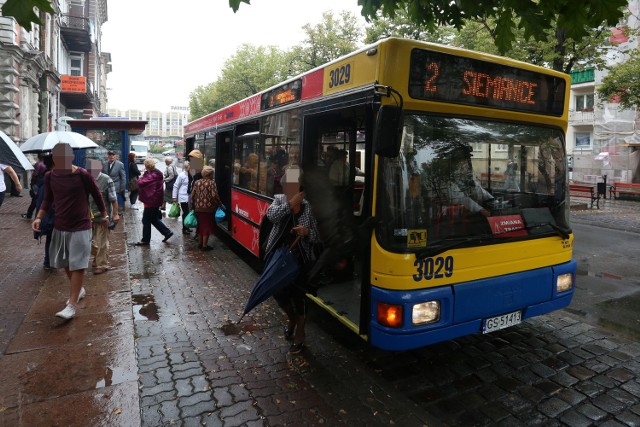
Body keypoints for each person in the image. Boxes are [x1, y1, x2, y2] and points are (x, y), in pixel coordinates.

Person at [31, 143, 108, 320]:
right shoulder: (50, 176)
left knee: (78, 264)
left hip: (81, 225)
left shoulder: (82, 174)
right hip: (60, 225)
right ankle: (79, 289)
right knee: (64, 261)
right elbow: (47, 199)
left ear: (72, 157)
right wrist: (38, 218)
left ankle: (72, 305)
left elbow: (97, 194)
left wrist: (104, 216)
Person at [263, 168, 320, 354]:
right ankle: (292, 318)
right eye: (287, 185)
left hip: (300, 258)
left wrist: (307, 232)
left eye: (294, 186)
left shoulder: (308, 206)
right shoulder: (279, 200)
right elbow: (271, 217)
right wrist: (289, 204)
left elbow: (317, 237)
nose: (290, 188)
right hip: (278, 256)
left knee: (299, 295)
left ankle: (300, 332)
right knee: (278, 292)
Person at [86, 159, 120, 275]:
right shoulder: (85, 179)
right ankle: (97, 256)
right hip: (87, 217)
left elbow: (113, 199)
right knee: (88, 243)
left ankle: (102, 264)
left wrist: (115, 214)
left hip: (102, 217)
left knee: (102, 242)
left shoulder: (106, 180)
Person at [134, 158, 174, 246]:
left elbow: (141, 183)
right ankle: (167, 232)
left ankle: (145, 240)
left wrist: (140, 178)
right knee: (153, 219)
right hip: (152, 200)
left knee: (146, 220)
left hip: (151, 200)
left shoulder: (154, 174)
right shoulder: (153, 173)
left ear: (147, 166)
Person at [189, 165, 222, 250]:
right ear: (210, 174)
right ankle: (204, 246)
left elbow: (192, 196)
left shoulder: (197, 182)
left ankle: (200, 244)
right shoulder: (212, 183)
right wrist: (220, 204)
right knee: (206, 227)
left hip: (198, 208)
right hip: (208, 209)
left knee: (200, 226)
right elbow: (215, 195)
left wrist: (192, 207)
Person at [33, 155, 55, 269]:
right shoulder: (49, 178)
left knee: (51, 238)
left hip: (47, 214)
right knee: (52, 238)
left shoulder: (43, 177)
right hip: (50, 214)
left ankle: (49, 261)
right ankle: (49, 262)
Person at [22, 154, 46, 219]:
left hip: (37, 184)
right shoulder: (49, 164)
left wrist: (32, 184)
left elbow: (35, 175)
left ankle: (30, 214)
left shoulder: (38, 164)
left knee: (35, 200)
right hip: (44, 184)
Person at [172, 160, 192, 234]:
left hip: (191, 197)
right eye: (189, 167)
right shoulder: (182, 175)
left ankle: (187, 226)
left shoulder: (193, 175)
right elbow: (176, 186)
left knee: (189, 212)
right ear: (186, 167)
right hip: (183, 197)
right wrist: (174, 197)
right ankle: (184, 228)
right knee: (186, 212)